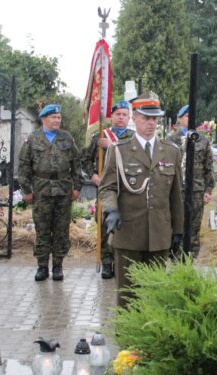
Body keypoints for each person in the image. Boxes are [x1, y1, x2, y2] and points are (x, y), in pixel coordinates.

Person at [98, 92, 184, 307]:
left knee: (156, 295)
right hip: (128, 232)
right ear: (134, 118)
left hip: (159, 233)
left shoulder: (171, 151)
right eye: (146, 118)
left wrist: (178, 230)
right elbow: (107, 187)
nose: (151, 123)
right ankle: (127, 338)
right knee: (128, 295)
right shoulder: (119, 150)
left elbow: (176, 195)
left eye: (154, 118)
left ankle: (152, 338)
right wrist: (111, 210)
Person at [18, 104, 82, 281]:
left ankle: (58, 267)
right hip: (41, 190)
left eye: (59, 117)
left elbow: (77, 164)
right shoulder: (33, 139)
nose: (57, 120)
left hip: (63, 189)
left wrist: (77, 187)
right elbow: (23, 167)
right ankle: (42, 267)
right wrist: (27, 190)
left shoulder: (67, 138)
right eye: (53, 117)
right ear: (44, 119)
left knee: (61, 230)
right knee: (42, 229)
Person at [81, 100, 134, 279]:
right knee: (105, 225)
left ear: (128, 118)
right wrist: (93, 175)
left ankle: (121, 262)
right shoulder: (100, 136)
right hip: (105, 189)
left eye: (124, 115)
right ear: (112, 117)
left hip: (127, 188)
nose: (121, 118)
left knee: (124, 225)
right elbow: (85, 159)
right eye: (118, 114)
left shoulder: (133, 138)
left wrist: (111, 146)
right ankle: (106, 262)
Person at [174, 105, 215, 258]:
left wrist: (208, 190)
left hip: (197, 192)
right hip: (176, 192)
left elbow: (208, 167)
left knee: (193, 229)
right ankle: (176, 261)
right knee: (177, 227)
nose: (189, 120)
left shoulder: (202, 140)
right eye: (186, 117)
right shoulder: (171, 140)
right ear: (179, 119)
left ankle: (190, 262)